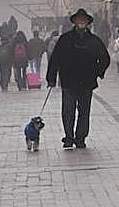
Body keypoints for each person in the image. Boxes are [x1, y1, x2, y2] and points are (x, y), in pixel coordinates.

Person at [46, 8, 110, 150]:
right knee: (68, 110)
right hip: (68, 80)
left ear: (87, 23)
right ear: (74, 22)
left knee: (84, 111)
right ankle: (69, 137)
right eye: (79, 20)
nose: (81, 22)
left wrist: (98, 72)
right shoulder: (66, 39)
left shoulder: (94, 41)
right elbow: (55, 58)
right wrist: (51, 77)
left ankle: (80, 137)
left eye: (84, 20)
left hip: (87, 81)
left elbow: (105, 58)